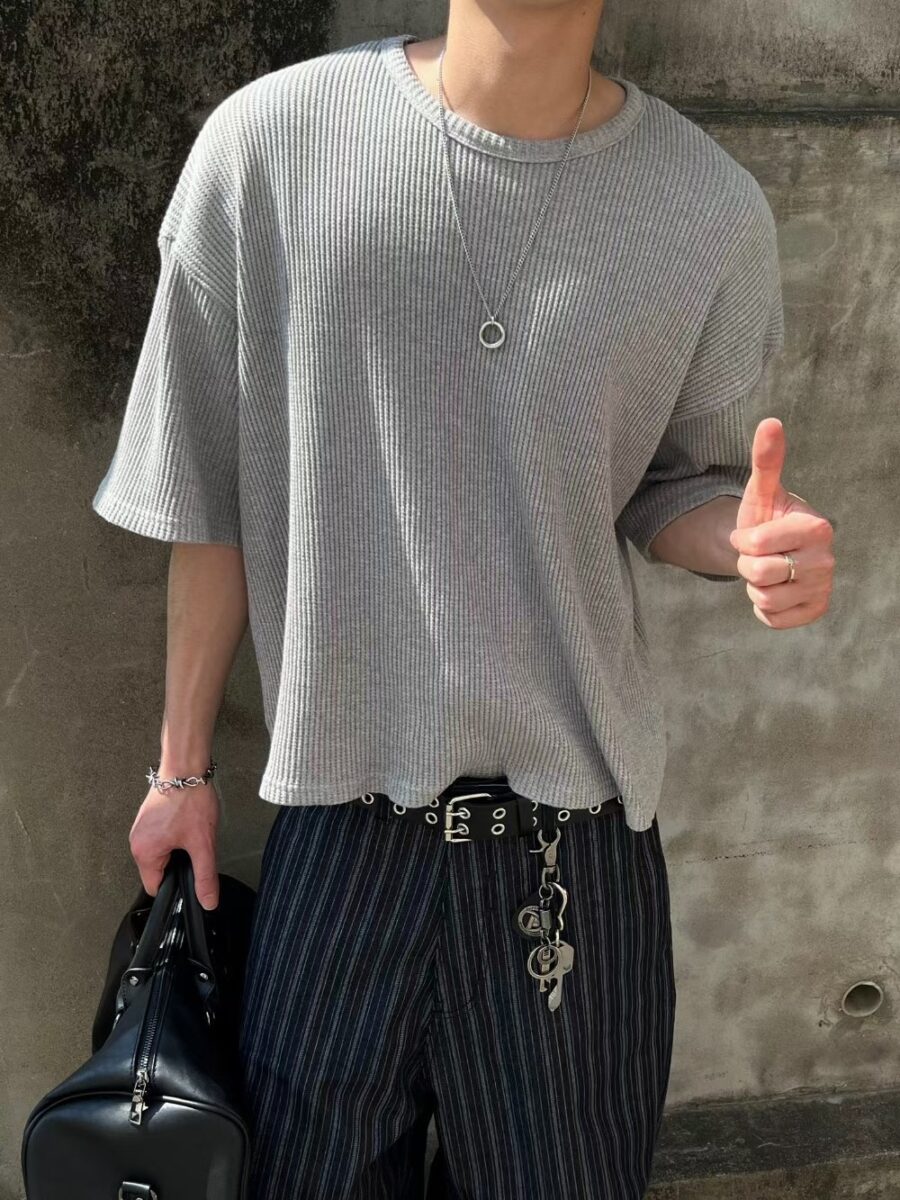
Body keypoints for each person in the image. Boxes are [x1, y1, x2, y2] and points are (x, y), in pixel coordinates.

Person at [92, 1, 835, 1196]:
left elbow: (681, 482)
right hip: (339, 832)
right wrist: (180, 774)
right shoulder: (270, 147)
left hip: (574, 856)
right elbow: (208, 493)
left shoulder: (706, 208)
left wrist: (746, 541)